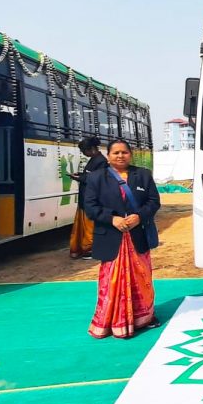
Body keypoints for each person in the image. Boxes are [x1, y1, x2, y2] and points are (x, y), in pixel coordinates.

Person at [84, 139, 161, 338]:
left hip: (138, 237)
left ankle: (144, 318)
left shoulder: (143, 175)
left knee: (142, 279)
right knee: (111, 282)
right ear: (108, 155)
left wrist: (140, 216)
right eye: (116, 153)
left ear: (130, 154)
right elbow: (90, 207)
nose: (120, 156)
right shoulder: (96, 178)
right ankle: (110, 322)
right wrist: (112, 219)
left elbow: (154, 202)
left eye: (124, 152)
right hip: (112, 238)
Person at [69, 136, 108, 259]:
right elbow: (89, 175)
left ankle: (90, 250)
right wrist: (80, 175)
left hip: (92, 199)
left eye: (84, 151)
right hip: (85, 199)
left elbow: (97, 179)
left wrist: (79, 178)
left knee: (89, 227)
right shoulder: (94, 160)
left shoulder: (101, 161)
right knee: (82, 226)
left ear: (91, 149)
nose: (83, 154)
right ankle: (81, 249)